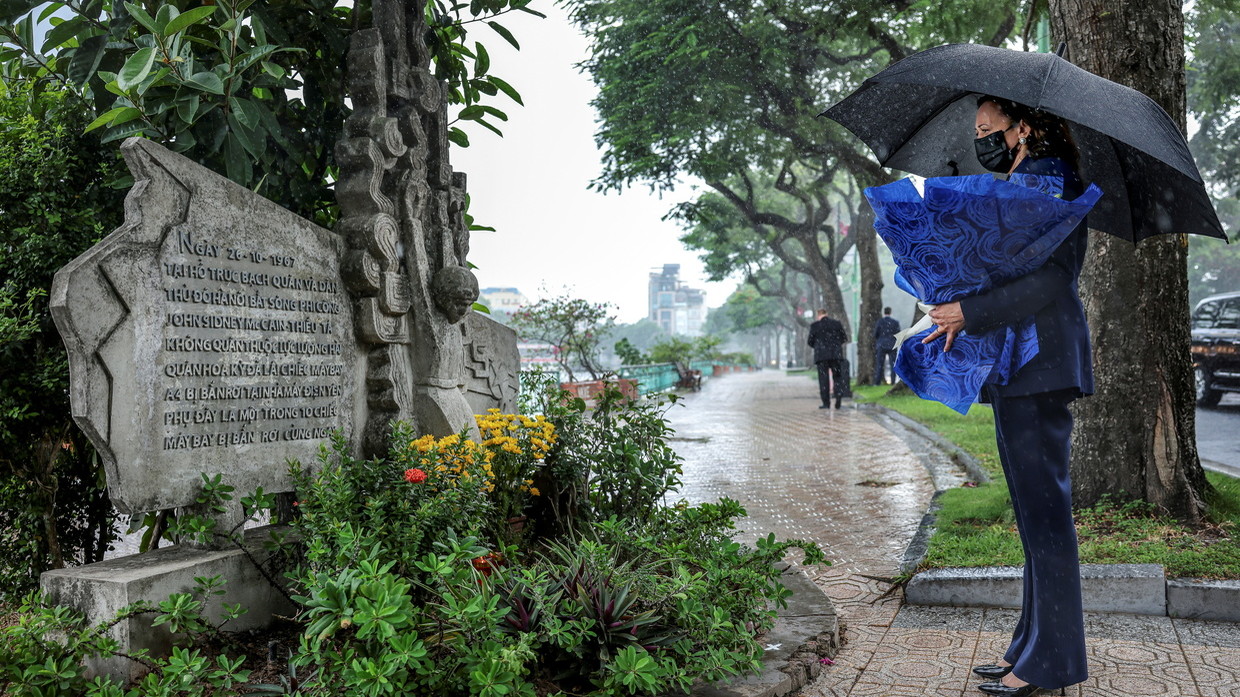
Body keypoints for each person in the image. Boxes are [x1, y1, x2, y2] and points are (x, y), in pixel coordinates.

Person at [922, 95, 1091, 697]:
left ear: (1026, 127)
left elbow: (1050, 278)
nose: (981, 135)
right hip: (1021, 365)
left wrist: (971, 309)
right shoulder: (1029, 178)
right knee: (1032, 514)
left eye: (988, 126)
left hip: (1039, 363)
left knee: (1046, 516)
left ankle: (1052, 662)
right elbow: (1013, 266)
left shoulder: (1051, 179)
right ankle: (1030, 644)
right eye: (977, 129)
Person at [807, 309, 849, 409]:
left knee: (823, 379)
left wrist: (818, 347)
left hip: (821, 356)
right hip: (836, 355)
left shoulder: (815, 326)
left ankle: (826, 403)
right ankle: (838, 398)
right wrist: (836, 346)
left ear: (818, 315)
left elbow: (810, 341)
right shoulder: (837, 324)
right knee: (838, 377)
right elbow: (844, 338)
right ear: (827, 314)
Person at [873, 307, 900, 384]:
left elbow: (875, 334)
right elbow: (898, 333)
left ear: (883, 312)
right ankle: (892, 381)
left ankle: (877, 382)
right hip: (892, 345)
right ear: (890, 312)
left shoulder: (880, 322)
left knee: (879, 364)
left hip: (881, 345)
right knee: (893, 364)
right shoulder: (895, 322)